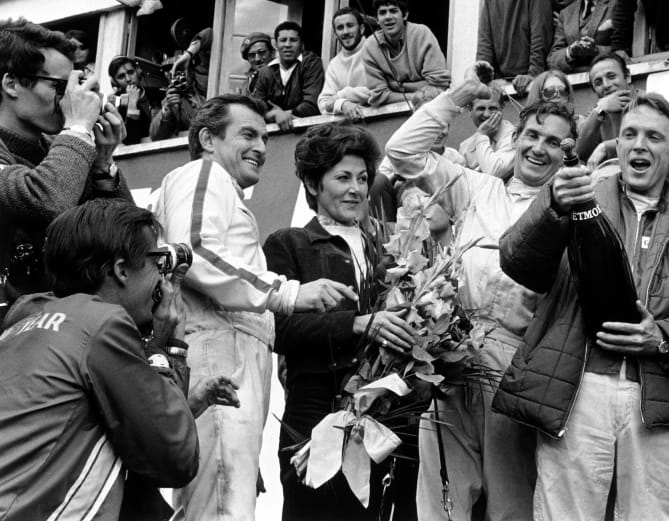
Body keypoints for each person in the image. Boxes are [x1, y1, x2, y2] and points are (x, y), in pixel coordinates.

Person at [493, 92, 669, 521]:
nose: (639, 145)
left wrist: (664, 337)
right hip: (578, 389)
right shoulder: (574, 203)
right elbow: (517, 261)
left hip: (658, 398)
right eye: (629, 134)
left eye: (654, 136)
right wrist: (550, 205)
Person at [154, 94, 357, 521]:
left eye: (265, 137)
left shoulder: (219, 187)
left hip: (230, 348)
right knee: (223, 503)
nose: (262, 148)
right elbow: (194, 251)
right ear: (208, 139)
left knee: (226, 494)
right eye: (247, 134)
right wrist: (286, 292)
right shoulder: (203, 172)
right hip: (217, 347)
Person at [386, 73, 574, 521]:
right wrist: (455, 99)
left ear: (567, 153)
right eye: (531, 135)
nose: (538, 148)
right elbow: (402, 152)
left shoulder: (569, 210)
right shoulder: (477, 187)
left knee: (510, 501)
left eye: (553, 142)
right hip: (450, 357)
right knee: (442, 497)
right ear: (516, 138)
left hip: (518, 367)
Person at [0, 199, 198, 520]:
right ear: (121, 270)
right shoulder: (102, 324)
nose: (162, 279)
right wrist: (166, 345)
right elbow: (176, 454)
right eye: (156, 262)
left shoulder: (24, 317)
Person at [264, 123, 418, 520]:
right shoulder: (288, 243)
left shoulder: (388, 249)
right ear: (314, 184)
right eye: (343, 177)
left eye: (363, 178)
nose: (356, 188)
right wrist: (357, 323)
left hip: (387, 415)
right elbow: (277, 331)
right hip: (316, 411)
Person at [0, 18, 130, 323]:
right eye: (60, 86)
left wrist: (102, 165)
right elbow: (48, 199)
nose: (72, 98)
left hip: (53, 335)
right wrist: (78, 128)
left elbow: (124, 239)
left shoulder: (66, 153)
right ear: (11, 84)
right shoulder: (70, 147)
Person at [362, 0, 451, 108]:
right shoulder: (370, 46)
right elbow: (379, 96)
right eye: (382, 13)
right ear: (377, 19)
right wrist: (417, 93)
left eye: (393, 11)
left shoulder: (421, 34)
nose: (388, 17)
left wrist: (396, 86)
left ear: (405, 15)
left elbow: (439, 85)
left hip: (429, 109)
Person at [477, 0, 554, 94]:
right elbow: (485, 40)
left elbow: (540, 30)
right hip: (502, 80)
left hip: (530, 77)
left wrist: (533, 74)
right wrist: (483, 79)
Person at [251, 21, 325, 131]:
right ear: (276, 44)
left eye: (293, 40)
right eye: (283, 40)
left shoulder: (311, 63)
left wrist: (285, 114)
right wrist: (275, 114)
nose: (287, 45)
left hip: (307, 132)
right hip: (275, 137)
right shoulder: (266, 71)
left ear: (302, 44)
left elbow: (312, 106)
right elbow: (255, 110)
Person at [548, 0, 618, 73]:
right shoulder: (565, 14)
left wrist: (596, 50)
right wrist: (571, 52)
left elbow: (626, 49)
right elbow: (552, 59)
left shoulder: (619, 2)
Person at [575, 51, 633, 161]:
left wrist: (606, 147)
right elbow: (579, 154)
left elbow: (644, 140)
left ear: (628, 76)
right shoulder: (599, 114)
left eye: (611, 76)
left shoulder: (649, 104)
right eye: (598, 83)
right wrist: (599, 110)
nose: (606, 85)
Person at [318, 8, 372, 122]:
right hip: (348, 130)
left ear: (361, 29)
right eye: (340, 28)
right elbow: (324, 103)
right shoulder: (334, 64)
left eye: (350, 25)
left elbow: (382, 91)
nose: (345, 32)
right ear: (335, 34)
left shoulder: (375, 50)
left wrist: (343, 95)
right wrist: (342, 104)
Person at [457, 83, 516, 179]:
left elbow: (494, 172)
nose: (487, 114)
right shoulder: (465, 147)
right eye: (481, 108)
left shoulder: (514, 137)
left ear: (502, 107)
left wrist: (482, 135)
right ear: (470, 110)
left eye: (492, 108)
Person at [108, 56, 153, 145]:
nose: (128, 79)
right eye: (121, 76)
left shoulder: (156, 95)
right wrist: (132, 105)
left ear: (138, 71)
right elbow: (131, 141)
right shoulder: (114, 104)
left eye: (131, 72)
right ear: (114, 82)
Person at [240, 32, 274, 96]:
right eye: (251, 55)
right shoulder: (249, 81)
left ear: (272, 53)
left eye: (262, 52)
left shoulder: (281, 77)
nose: (257, 59)